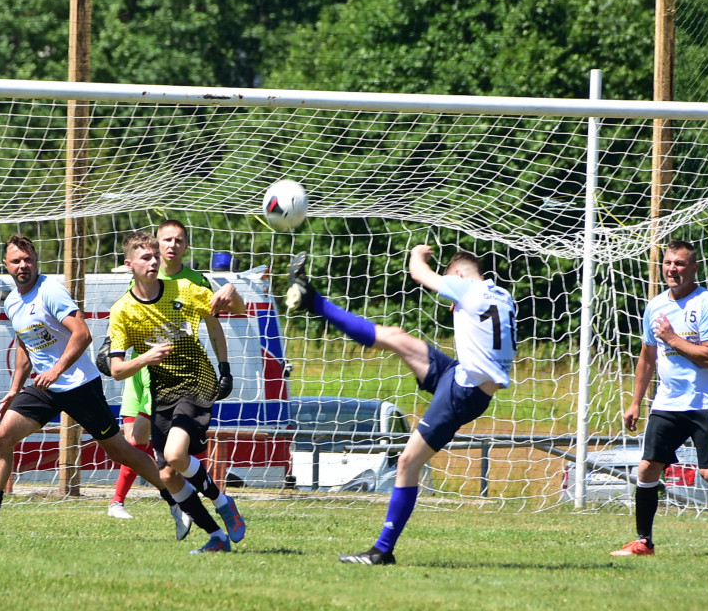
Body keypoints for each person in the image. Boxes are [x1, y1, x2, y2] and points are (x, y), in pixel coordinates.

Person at [0, 235, 213, 542]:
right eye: (16, 261)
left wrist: (55, 370)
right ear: (6, 265)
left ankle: (178, 500)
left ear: (36, 261)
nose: (23, 265)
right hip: (45, 388)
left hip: (79, 384)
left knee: (120, 451)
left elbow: (83, 334)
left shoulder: (50, 291)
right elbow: (25, 344)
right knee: (1, 437)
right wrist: (14, 389)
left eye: (28, 259)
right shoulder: (11, 302)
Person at [284, 245, 516, 566]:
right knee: (394, 336)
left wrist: (418, 254)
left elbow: (418, 273)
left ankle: (382, 551)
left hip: (463, 391)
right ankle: (313, 300)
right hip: (461, 376)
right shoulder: (503, 296)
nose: (450, 302)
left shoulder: (466, 287)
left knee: (407, 462)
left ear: (458, 275)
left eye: (450, 286)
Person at [610, 240, 708, 556]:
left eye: (680, 263)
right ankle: (644, 542)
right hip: (667, 404)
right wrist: (636, 402)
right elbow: (647, 357)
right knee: (647, 467)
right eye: (668, 262)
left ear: (693, 268)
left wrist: (672, 338)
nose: (672, 269)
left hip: (705, 404)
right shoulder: (655, 306)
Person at [106, 231, 247, 554]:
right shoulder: (122, 309)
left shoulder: (183, 288)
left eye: (155, 256)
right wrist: (145, 358)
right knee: (168, 474)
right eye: (146, 257)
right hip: (162, 390)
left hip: (196, 381)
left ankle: (223, 503)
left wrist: (231, 291)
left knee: (173, 455)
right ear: (129, 265)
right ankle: (217, 536)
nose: (153, 261)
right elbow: (116, 370)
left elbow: (235, 309)